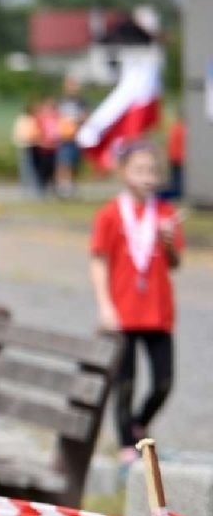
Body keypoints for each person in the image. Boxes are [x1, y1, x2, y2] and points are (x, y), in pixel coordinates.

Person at [89, 141, 182, 469]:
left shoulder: (166, 214)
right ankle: (127, 445)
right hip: (123, 311)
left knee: (163, 381)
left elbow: (174, 263)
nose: (146, 177)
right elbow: (98, 260)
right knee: (124, 383)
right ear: (123, 172)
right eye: (139, 170)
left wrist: (168, 243)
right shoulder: (110, 214)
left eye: (153, 171)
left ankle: (140, 423)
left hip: (158, 312)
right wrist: (105, 305)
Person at [55, 77, 88, 199]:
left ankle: (72, 186)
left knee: (74, 164)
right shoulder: (61, 100)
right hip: (64, 137)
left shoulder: (81, 101)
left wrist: (78, 121)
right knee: (64, 163)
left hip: (77, 137)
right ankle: (63, 187)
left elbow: (85, 115)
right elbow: (55, 117)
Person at [165, 111, 186, 202]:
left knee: (175, 178)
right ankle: (178, 195)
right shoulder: (182, 128)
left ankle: (177, 194)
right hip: (179, 157)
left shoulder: (174, 127)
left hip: (173, 157)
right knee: (179, 179)